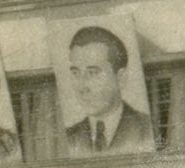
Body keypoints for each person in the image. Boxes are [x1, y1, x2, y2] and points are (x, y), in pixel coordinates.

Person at [62, 26, 153, 155]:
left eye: (92, 73)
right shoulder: (68, 138)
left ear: (120, 78)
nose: (82, 87)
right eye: (76, 73)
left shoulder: (149, 129)